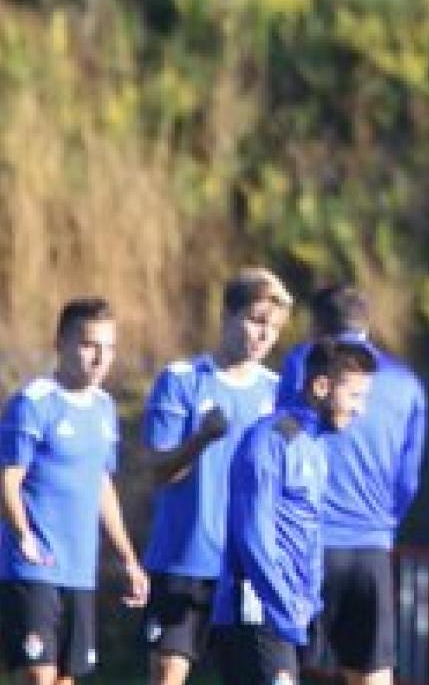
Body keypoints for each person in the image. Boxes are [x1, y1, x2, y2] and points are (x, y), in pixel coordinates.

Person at [140, 267, 292, 685]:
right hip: (184, 561)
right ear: (227, 316)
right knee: (169, 673)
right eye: (257, 321)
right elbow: (158, 471)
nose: (265, 335)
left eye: (275, 328)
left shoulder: (280, 394)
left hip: (248, 569)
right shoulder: (181, 381)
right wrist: (201, 439)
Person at [276, 284, 427, 685]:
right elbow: (408, 478)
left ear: (317, 325)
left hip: (308, 545)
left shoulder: (302, 364)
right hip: (372, 548)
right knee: (372, 672)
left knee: (284, 667)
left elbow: (278, 445)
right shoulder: (406, 382)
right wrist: (382, 522)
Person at [210, 338, 378, 685]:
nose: (361, 409)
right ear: (320, 386)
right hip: (258, 609)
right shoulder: (270, 441)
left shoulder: (314, 446)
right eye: (354, 396)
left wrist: (310, 606)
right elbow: (253, 537)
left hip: (291, 613)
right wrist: (286, 609)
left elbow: (307, 533)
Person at [0, 297, 150, 685]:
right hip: (33, 566)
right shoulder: (33, 404)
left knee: (67, 678)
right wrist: (23, 536)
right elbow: (8, 481)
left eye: (109, 348)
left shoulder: (104, 409)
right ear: (62, 344)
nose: (100, 358)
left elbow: (102, 486)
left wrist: (129, 559)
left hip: (80, 570)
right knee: (38, 675)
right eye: (89, 345)